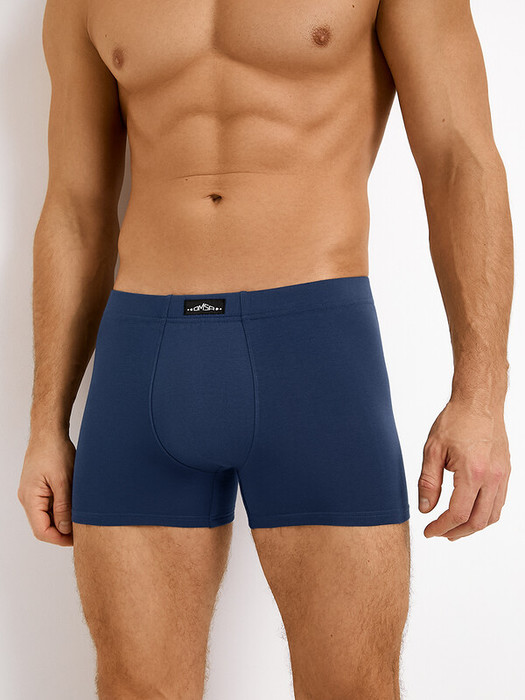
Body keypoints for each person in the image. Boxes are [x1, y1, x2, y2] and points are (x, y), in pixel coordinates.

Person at [18, 0, 513, 698]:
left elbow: (461, 159)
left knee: (352, 688)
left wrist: (481, 395)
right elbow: (74, 207)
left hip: (315, 355)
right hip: (144, 356)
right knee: (133, 688)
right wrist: (45, 422)